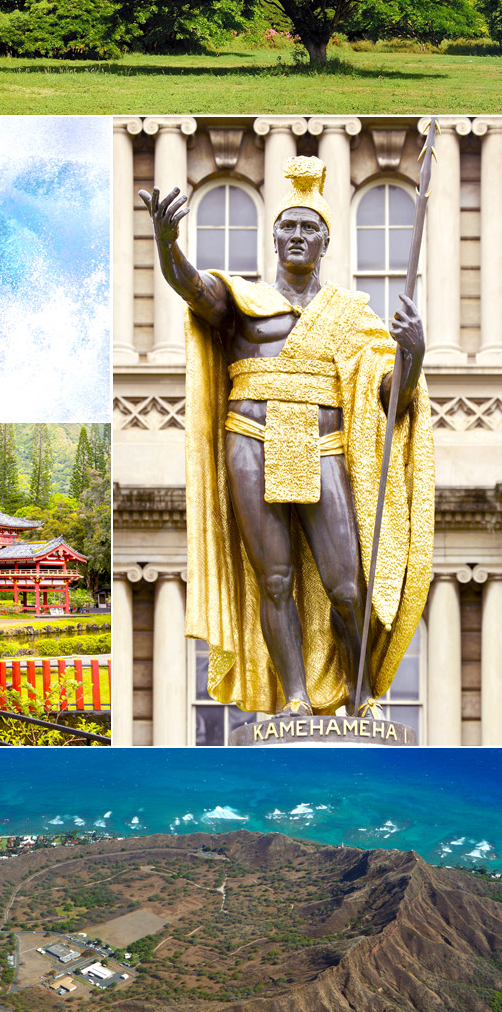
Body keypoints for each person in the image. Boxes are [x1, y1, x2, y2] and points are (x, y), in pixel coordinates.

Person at [142, 157, 433, 721]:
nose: (297, 237)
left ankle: (360, 695)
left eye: (309, 229)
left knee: (348, 587)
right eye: (288, 227)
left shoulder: (350, 316)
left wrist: (413, 355)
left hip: (322, 446)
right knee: (274, 578)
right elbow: (192, 287)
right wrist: (166, 245)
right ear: (274, 238)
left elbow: (387, 397)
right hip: (251, 437)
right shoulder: (244, 302)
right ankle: (295, 698)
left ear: (324, 241)